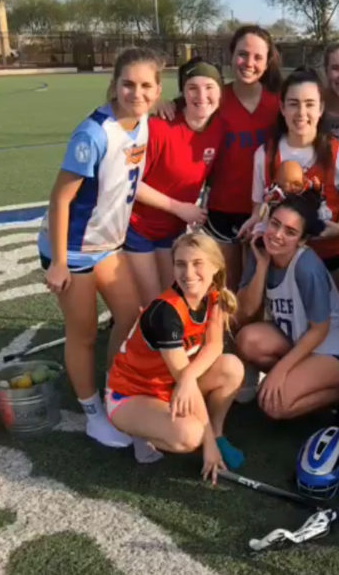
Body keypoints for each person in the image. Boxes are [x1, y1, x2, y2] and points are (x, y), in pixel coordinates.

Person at [37, 47, 162, 448]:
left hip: (108, 246)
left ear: (157, 90)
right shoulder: (92, 134)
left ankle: (115, 390)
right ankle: (92, 413)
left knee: (130, 315)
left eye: (146, 85)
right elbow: (60, 199)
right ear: (114, 85)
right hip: (73, 250)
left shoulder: (143, 123)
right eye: (128, 84)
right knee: (84, 333)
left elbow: (124, 180)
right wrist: (58, 261)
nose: (136, 93)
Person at [107, 233, 244, 479]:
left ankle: (216, 432)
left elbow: (214, 346)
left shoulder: (213, 294)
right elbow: (184, 379)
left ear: (216, 267)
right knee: (190, 436)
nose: (188, 273)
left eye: (197, 263)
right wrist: (207, 446)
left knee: (231, 367)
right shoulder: (166, 313)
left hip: (172, 384)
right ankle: (141, 431)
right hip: (132, 393)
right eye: (180, 264)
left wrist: (190, 376)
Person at [247, 68, 339, 299]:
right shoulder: (265, 154)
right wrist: (256, 219)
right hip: (282, 261)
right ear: (282, 108)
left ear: (321, 108)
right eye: (293, 103)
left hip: (332, 257)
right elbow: (258, 203)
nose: (301, 112)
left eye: (310, 104)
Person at [235, 195, 339, 420]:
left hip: (331, 348)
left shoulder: (307, 266)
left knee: (274, 406)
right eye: (275, 224)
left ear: (302, 240)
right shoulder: (260, 250)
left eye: (290, 232)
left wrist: (280, 370)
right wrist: (262, 267)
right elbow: (244, 312)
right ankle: (299, 380)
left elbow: (320, 330)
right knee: (247, 340)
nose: (277, 235)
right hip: (298, 337)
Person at [125, 58, 225, 305]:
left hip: (172, 230)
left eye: (209, 87)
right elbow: (130, 182)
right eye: (193, 87)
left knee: (174, 297)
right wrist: (180, 208)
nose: (202, 95)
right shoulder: (159, 127)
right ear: (183, 91)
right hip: (137, 227)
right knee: (151, 302)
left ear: (221, 91)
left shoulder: (219, 128)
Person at [204, 26, 283, 288]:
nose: (249, 63)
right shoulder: (213, 98)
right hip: (221, 211)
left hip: (264, 211)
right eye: (242, 54)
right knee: (226, 289)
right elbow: (180, 110)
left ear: (268, 61)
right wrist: (163, 105)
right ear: (231, 55)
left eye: (258, 57)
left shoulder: (279, 104)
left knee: (256, 291)